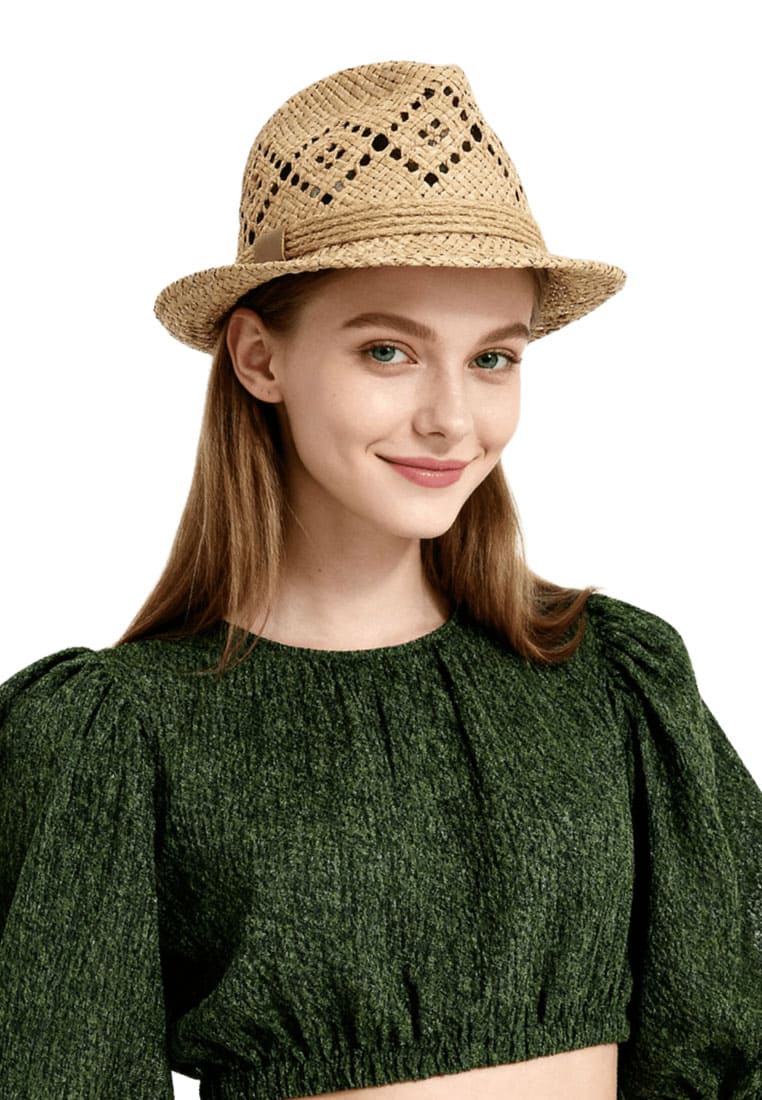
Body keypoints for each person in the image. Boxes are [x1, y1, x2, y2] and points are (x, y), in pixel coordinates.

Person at [0, 60, 759, 1100]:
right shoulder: (119, 734)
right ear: (260, 359)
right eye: (390, 351)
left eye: (494, 358)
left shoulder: (616, 678)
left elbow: (730, 1035)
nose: (453, 418)